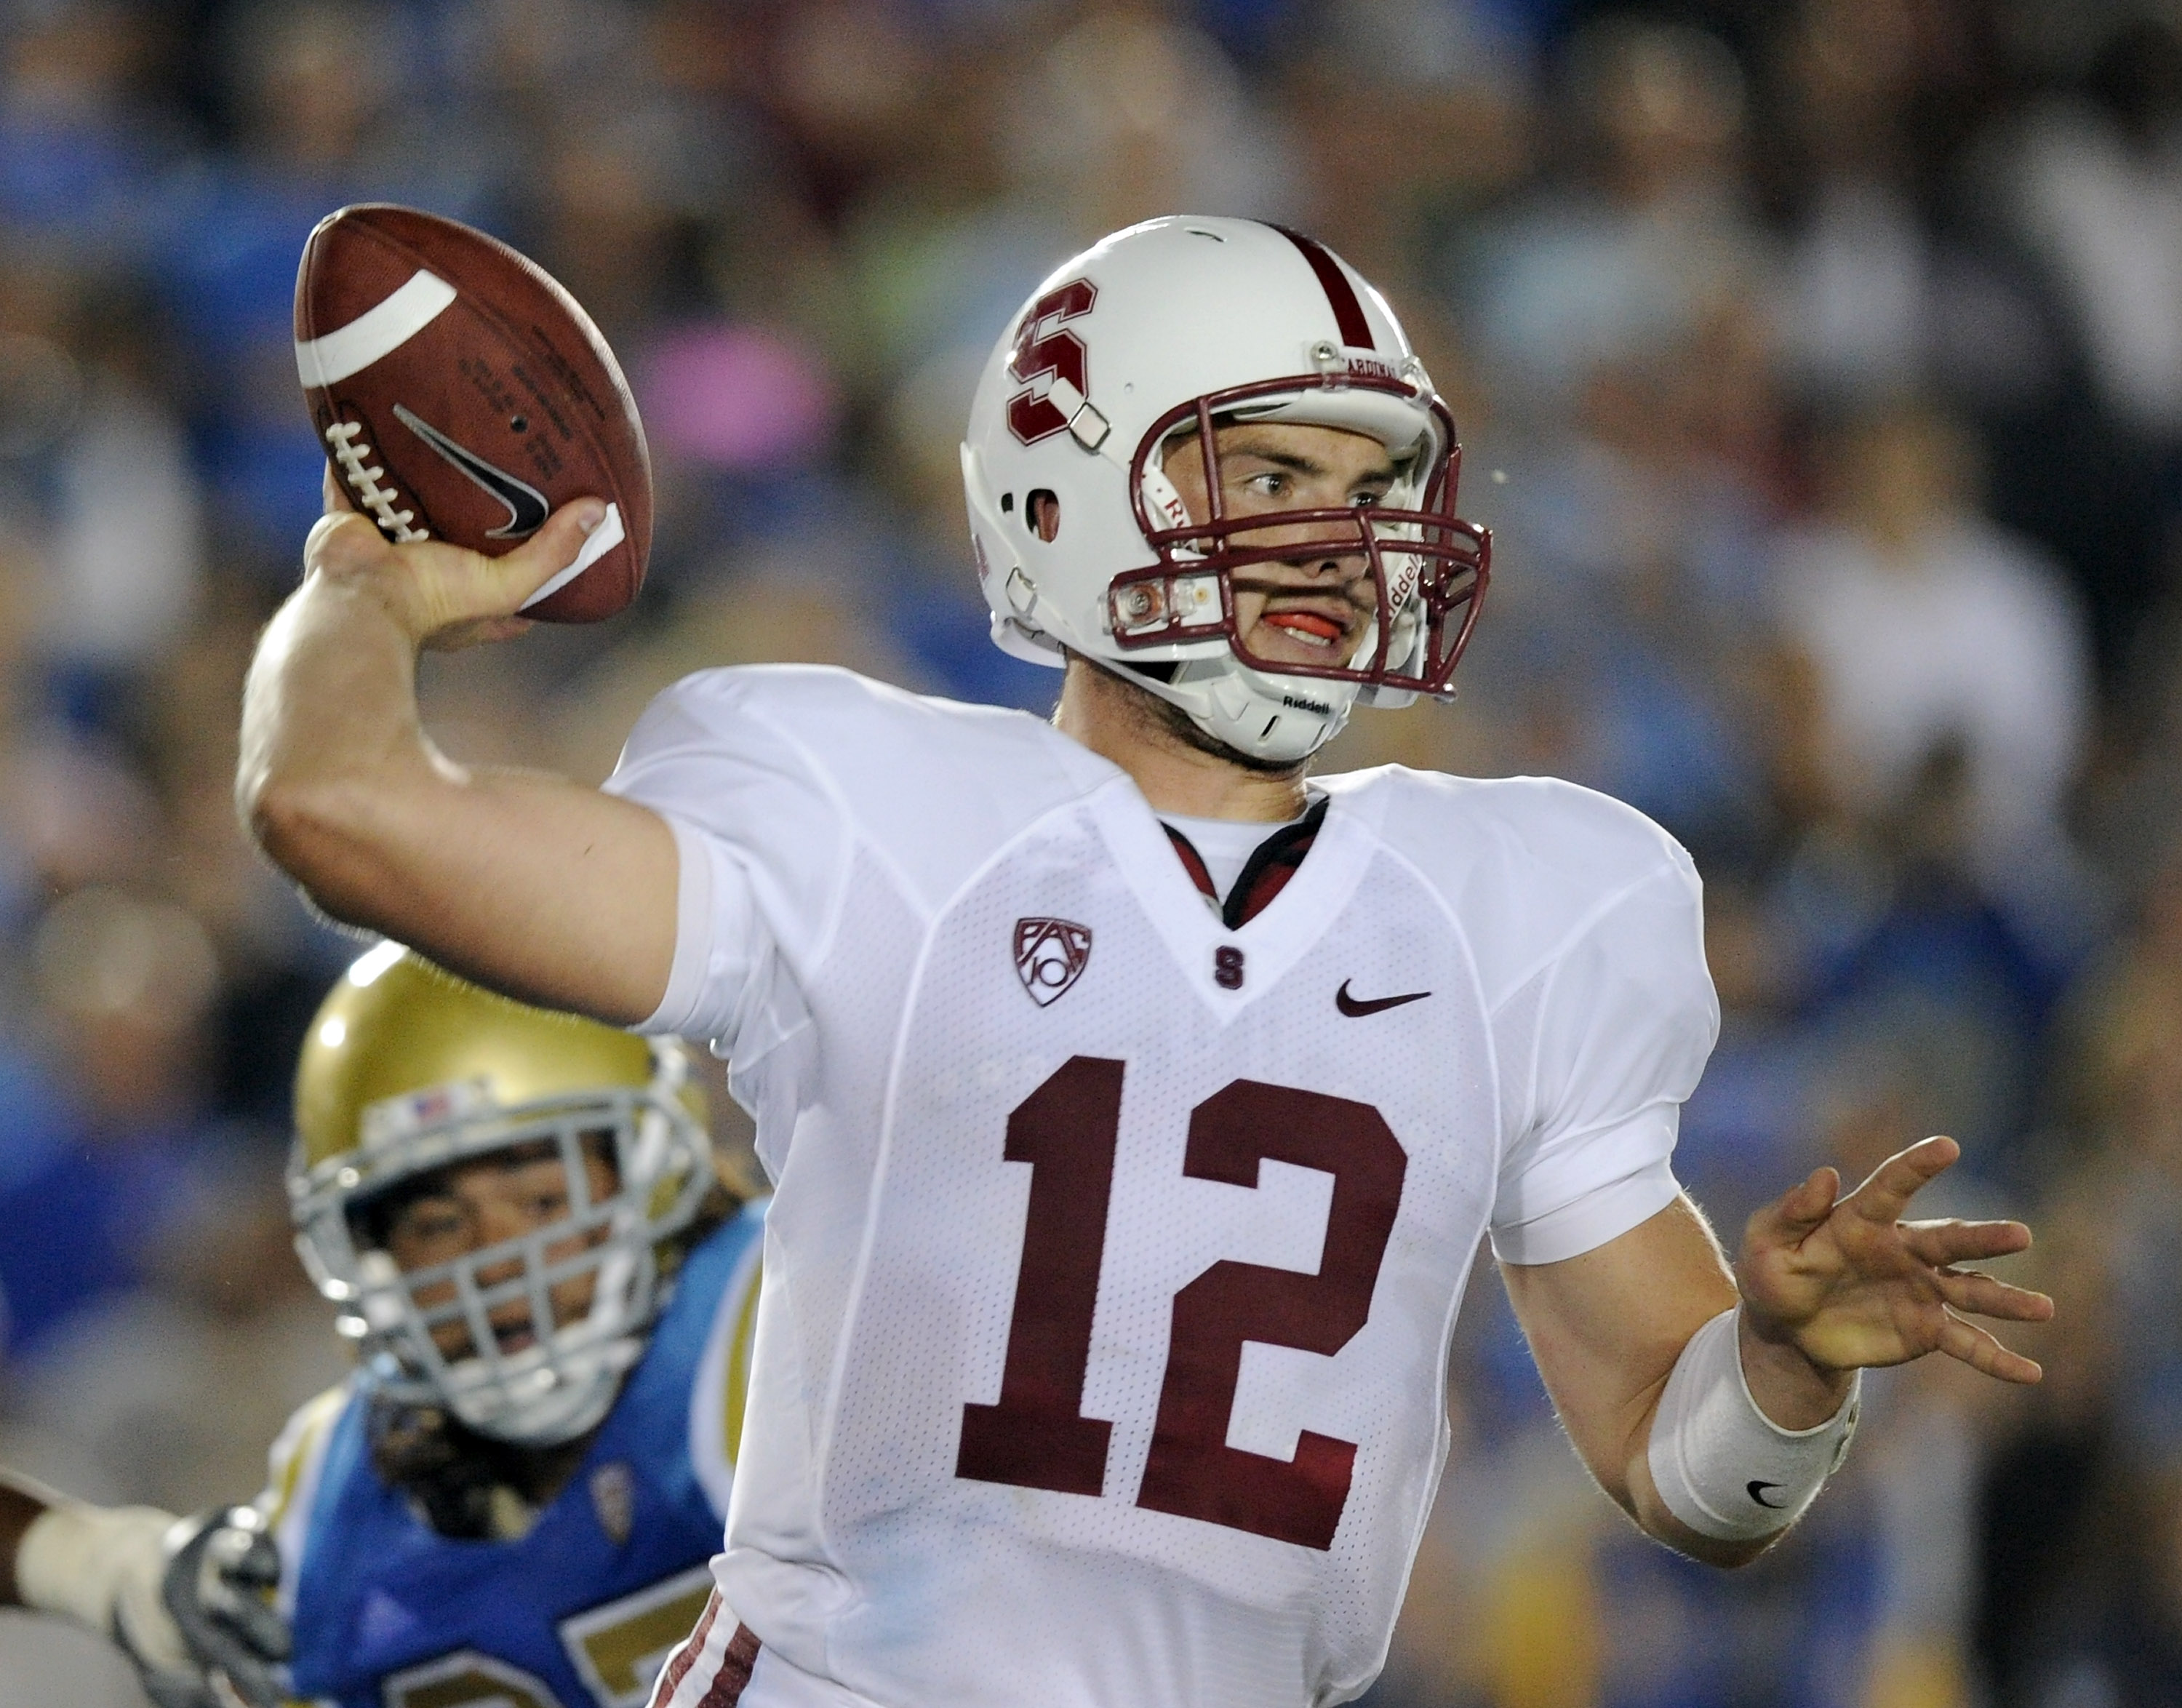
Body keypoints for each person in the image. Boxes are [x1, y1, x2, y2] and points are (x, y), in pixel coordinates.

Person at [234, 215, 2051, 1708]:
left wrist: (1789, 1366)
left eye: (1364, 486)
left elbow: (1695, 1481)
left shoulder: (1540, 902)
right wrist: (364, 584)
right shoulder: (870, 809)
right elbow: (339, 806)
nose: (1331, 539)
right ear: (1065, 484)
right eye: (1264, 467)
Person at [0, 943, 765, 1708]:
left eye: (540, 1200)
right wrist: (96, 1564)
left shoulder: (762, 1322)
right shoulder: (335, 1498)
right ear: (368, 1251)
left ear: (653, 1171)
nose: (496, 1263)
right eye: (437, 1223)